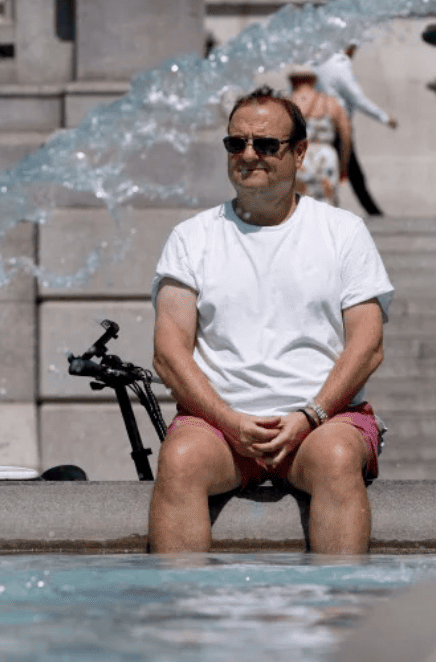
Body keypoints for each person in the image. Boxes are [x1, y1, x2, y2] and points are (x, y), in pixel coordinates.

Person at [148, 86, 394, 554]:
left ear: (299, 153)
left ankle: (340, 599)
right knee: (180, 459)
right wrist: (228, 420)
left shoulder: (343, 232)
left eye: (265, 144)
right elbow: (168, 352)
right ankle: (181, 603)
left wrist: (310, 415)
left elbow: (368, 345)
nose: (248, 155)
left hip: (323, 422)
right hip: (218, 426)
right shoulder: (190, 238)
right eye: (235, 143)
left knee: (337, 457)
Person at [313, 45, 398, 216]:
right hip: (338, 125)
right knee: (351, 171)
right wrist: (384, 117)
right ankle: (373, 213)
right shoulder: (339, 65)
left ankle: (327, 210)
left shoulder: (319, 62)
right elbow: (358, 99)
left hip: (319, 125)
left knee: (326, 170)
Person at [289, 68, 352, 207]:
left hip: (299, 156)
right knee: (327, 202)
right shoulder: (330, 102)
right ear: (313, 80)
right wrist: (343, 166)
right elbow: (346, 135)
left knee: (299, 204)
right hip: (326, 155)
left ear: (293, 81)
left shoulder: (286, 104)